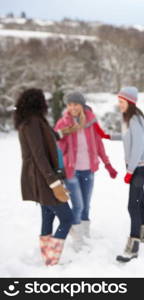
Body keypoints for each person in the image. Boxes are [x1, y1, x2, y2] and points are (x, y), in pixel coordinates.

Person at [15, 88, 73, 266]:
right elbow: (38, 154)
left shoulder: (34, 120)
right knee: (67, 218)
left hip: (41, 177)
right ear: (37, 102)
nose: (46, 103)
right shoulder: (32, 122)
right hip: (42, 178)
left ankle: (49, 258)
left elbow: (49, 137)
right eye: (43, 100)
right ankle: (51, 258)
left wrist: (65, 132)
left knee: (47, 215)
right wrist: (54, 184)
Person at [54, 92, 118, 249]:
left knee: (86, 205)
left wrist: (107, 164)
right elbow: (57, 150)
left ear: (82, 105)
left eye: (75, 104)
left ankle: (84, 234)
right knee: (78, 205)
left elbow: (99, 144)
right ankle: (77, 240)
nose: (72, 107)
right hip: (71, 171)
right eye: (69, 104)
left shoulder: (90, 122)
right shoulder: (63, 124)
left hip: (88, 170)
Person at [102, 87, 144, 262]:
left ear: (130, 102)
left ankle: (133, 246)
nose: (119, 104)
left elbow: (137, 146)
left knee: (132, 204)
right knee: (140, 198)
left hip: (139, 167)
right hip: (137, 167)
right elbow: (126, 137)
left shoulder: (135, 120)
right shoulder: (128, 118)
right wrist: (108, 136)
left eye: (122, 101)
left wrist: (130, 172)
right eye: (119, 101)